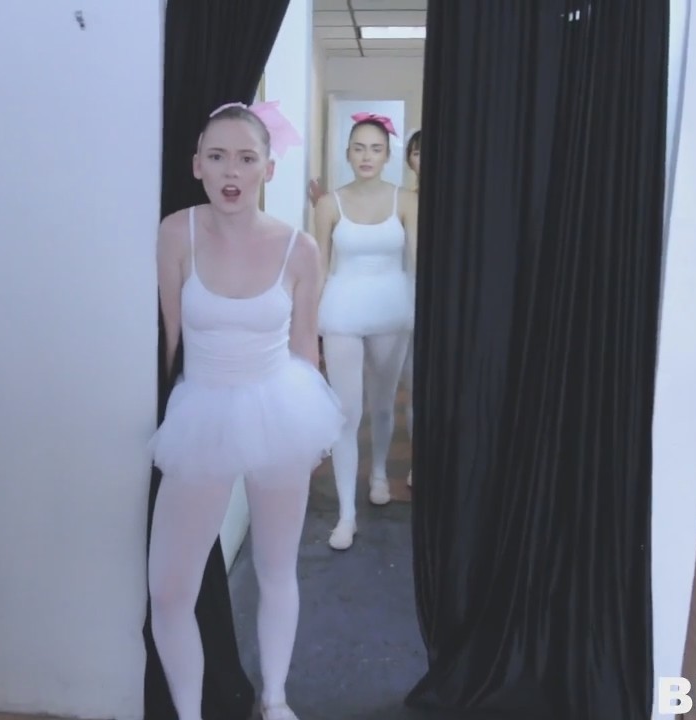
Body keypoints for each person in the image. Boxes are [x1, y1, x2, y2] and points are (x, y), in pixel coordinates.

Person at [148, 100, 345, 720]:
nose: (231, 171)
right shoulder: (176, 232)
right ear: (197, 165)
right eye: (217, 156)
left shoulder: (299, 248)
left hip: (279, 408)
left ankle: (275, 699)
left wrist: (314, 437)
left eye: (246, 158)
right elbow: (168, 342)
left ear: (268, 168)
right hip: (201, 413)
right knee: (169, 590)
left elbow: (305, 349)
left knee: (277, 567)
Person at [313, 112, 418, 551]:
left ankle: (378, 474)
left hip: (393, 311)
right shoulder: (328, 204)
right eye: (359, 148)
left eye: (375, 148)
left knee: (382, 403)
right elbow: (320, 265)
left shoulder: (406, 200)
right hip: (342, 311)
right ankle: (346, 514)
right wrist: (308, 319)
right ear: (348, 153)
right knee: (346, 412)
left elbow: (417, 262)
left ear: (388, 154)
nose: (366, 156)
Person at [399, 130, 420, 488]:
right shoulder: (401, 200)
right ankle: (419, 460)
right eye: (416, 152)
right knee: (415, 384)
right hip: (406, 296)